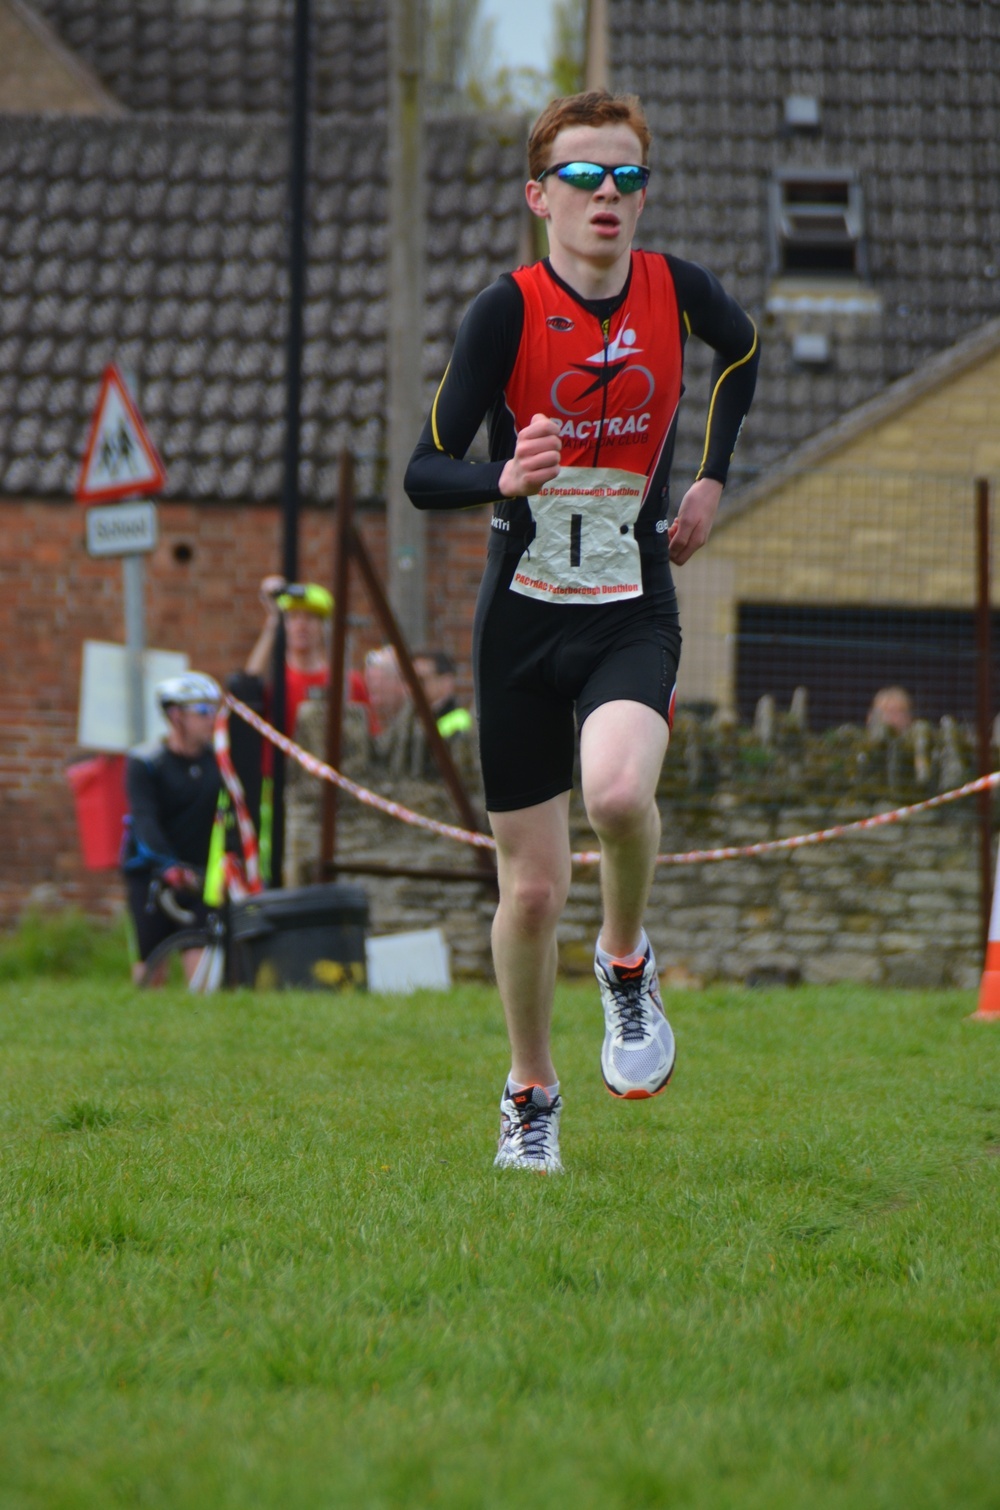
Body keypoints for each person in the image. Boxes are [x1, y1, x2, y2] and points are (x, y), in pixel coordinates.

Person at [405, 89, 759, 1172]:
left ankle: (625, 958)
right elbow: (423, 472)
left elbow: (742, 350)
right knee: (530, 889)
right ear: (539, 196)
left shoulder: (675, 290)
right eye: (583, 176)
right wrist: (499, 477)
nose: (607, 194)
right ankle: (530, 1093)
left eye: (626, 176)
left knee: (614, 793)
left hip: (629, 609)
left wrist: (710, 478)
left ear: (643, 195)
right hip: (521, 620)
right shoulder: (502, 313)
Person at [121, 673, 223, 983]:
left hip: (199, 876)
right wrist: (168, 865)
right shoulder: (147, 762)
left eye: (214, 710)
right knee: (152, 968)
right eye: (202, 711)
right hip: (152, 875)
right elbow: (145, 820)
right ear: (176, 715)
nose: (211, 719)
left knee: (202, 968)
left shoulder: (218, 762)